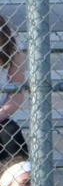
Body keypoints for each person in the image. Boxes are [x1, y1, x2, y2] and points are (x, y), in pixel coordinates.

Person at [0, 16, 28, 165]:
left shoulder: (9, 45)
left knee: (10, 133)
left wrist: (1, 113)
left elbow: (16, 93)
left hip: (0, 117)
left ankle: (20, 183)